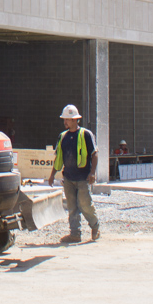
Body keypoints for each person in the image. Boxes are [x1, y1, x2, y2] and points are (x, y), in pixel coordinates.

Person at [45, 103, 100, 243]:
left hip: (82, 177)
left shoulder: (86, 134)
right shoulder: (62, 137)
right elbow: (59, 158)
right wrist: (52, 175)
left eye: (67, 119)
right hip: (68, 178)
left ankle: (95, 226)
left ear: (75, 120)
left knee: (85, 204)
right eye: (64, 119)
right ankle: (75, 234)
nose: (65, 122)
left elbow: (94, 154)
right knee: (72, 207)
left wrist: (92, 173)